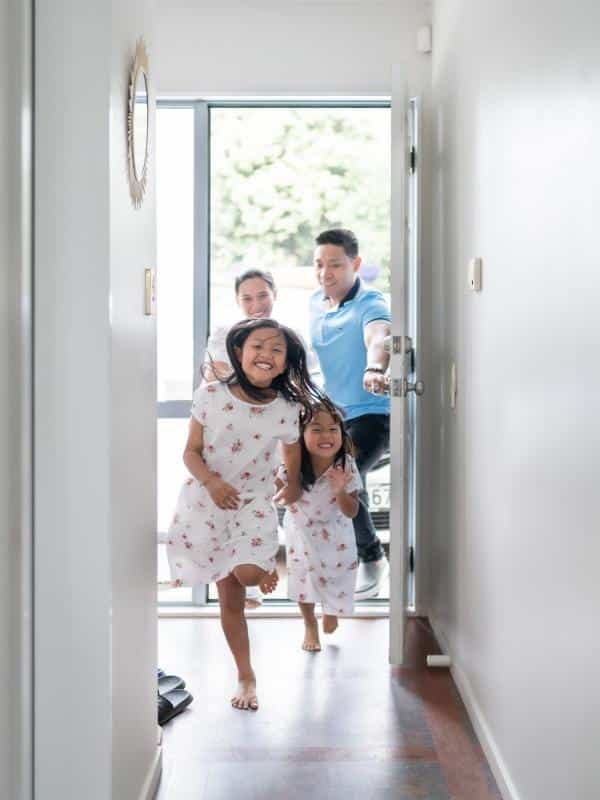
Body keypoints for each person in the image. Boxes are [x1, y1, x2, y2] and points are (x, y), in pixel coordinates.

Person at [167, 318, 324, 711]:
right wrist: (213, 483)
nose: (266, 355)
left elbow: (291, 455)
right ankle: (246, 675)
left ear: (287, 363)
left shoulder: (288, 408)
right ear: (239, 351)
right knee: (230, 597)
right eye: (258, 346)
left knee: (249, 573)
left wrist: (289, 487)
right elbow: (190, 451)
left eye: (277, 350)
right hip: (208, 501)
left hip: (252, 502)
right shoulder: (210, 395)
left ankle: (264, 565)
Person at [309, 228, 391, 599]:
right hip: (333, 415)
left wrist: (375, 368)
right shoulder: (316, 303)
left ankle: (372, 557)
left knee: (343, 471)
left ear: (355, 264)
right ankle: (327, 561)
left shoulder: (370, 303)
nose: (326, 272)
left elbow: (380, 336)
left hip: (373, 413)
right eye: (319, 264)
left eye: (335, 265)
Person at [277, 403, 360, 652]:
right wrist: (284, 487)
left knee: (339, 575)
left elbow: (352, 511)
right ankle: (310, 623)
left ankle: (332, 609)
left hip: (337, 533)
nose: (326, 436)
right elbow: (281, 498)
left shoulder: (346, 465)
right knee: (304, 579)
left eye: (333, 429)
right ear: (300, 435)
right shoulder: (291, 464)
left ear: (341, 434)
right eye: (317, 429)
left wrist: (340, 491)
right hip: (301, 532)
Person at [204, 268, 278, 382]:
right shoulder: (223, 336)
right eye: (247, 299)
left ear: (274, 294)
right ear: (238, 301)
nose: (256, 304)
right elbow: (212, 386)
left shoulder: (289, 337)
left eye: (263, 296)